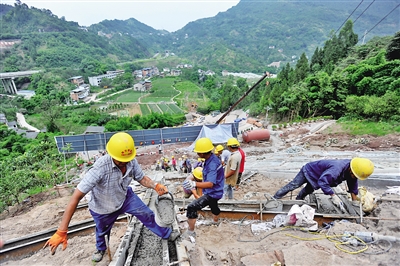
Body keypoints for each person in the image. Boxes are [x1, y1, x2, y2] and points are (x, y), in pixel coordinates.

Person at [43, 132, 180, 262]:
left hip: (125, 197)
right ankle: (100, 249)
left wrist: (155, 185)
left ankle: (166, 234)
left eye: (126, 160)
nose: (124, 162)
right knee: (102, 231)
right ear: (111, 154)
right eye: (120, 160)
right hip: (103, 207)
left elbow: (142, 178)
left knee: (147, 214)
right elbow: (76, 197)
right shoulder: (100, 168)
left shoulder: (130, 161)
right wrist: (62, 231)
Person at [272, 158, 374, 208]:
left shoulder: (352, 171)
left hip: (319, 175)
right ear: (351, 170)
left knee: (308, 190)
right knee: (294, 185)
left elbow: (353, 185)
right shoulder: (336, 169)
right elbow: (323, 182)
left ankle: (298, 201)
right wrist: (333, 195)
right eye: (354, 175)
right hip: (309, 170)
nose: (354, 177)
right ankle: (275, 198)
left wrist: (354, 202)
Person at [182, 138, 224, 239]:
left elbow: (210, 183)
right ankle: (216, 221)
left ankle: (190, 232)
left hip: (213, 192)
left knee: (191, 207)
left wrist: (194, 184)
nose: (197, 154)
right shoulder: (211, 159)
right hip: (215, 191)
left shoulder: (212, 165)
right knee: (214, 205)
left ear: (202, 153)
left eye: (198, 152)